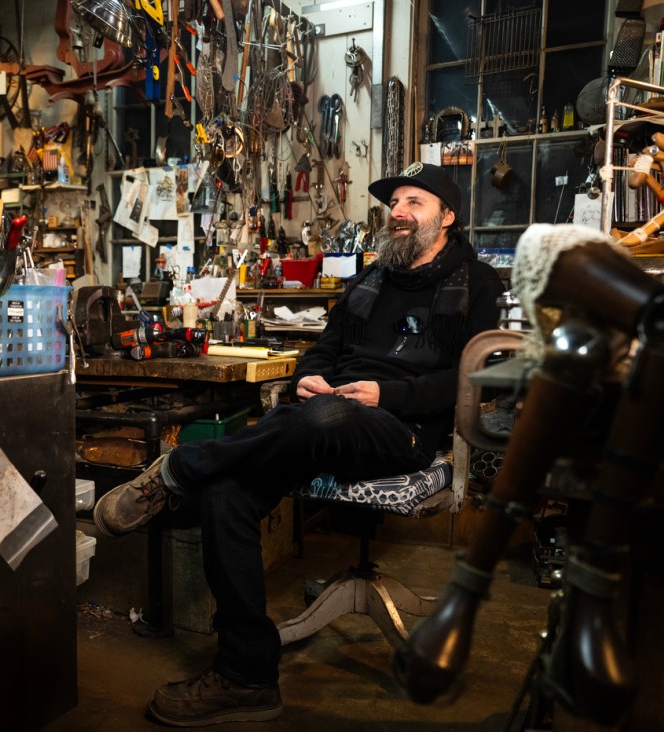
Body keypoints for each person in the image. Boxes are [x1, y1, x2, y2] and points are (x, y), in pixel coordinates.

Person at [93, 162, 506, 726]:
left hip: (404, 430)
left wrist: (387, 393)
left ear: (448, 217)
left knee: (322, 416)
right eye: (395, 203)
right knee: (228, 493)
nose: (400, 212)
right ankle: (246, 677)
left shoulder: (477, 283)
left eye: (416, 202)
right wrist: (306, 376)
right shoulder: (369, 280)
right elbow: (324, 349)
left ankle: (179, 469)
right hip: (326, 416)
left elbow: (469, 378)